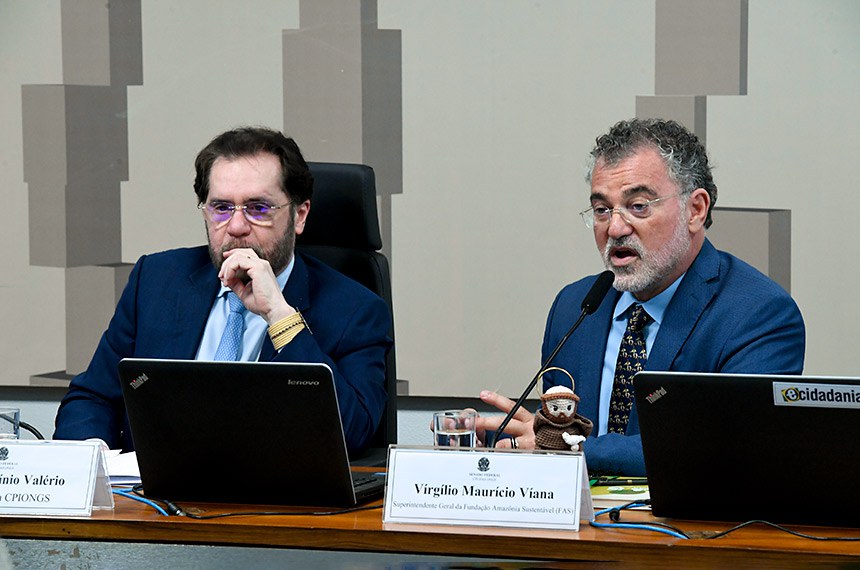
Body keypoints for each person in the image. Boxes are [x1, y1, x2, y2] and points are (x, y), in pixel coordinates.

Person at [476, 118, 805, 475]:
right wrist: (501, 439)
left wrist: (574, 448)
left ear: (695, 210)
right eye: (602, 209)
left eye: (638, 206)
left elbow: (729, 447)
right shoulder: (575, 306)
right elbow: (553, 435)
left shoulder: (758, 314)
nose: (615, 228)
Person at [54, 126, 392, 454]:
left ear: (299, 215)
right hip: (155, 490)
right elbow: (92, 397)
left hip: (273, 491)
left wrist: (279, 315)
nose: (237, 226)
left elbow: (352, 432)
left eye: (258, 208)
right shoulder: (156, 281)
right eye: (221, 208)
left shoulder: (355, 310)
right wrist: (94, 462)